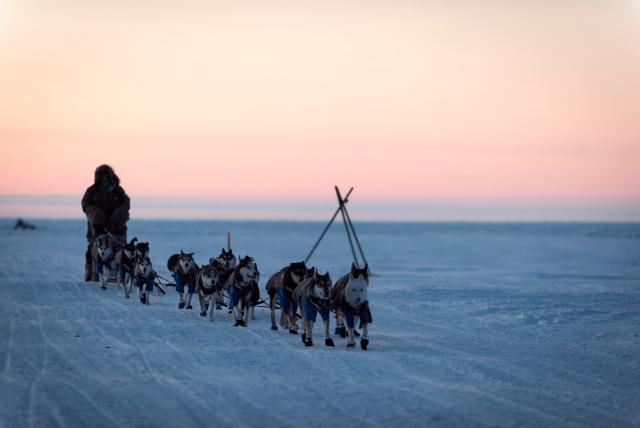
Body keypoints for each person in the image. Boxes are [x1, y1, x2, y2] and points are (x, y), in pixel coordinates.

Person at [81, 164, 130, 281]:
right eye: (102, 177)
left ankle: (123, 275)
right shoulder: (91, 191)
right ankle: (91, 274)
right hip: (97, 226)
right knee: (93, 250)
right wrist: (95, 213)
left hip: (117, 226)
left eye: (106, 177)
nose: (104, 179)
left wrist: (119, 213)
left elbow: (126, 202)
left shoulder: (118, 190)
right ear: (98, 178)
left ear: (110, 177)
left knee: (121, 250)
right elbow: (85, 204)